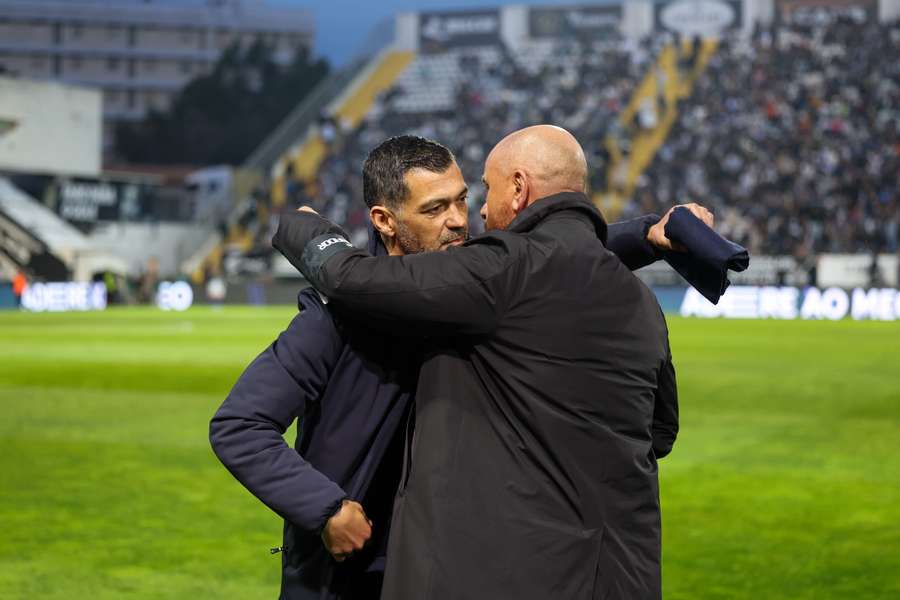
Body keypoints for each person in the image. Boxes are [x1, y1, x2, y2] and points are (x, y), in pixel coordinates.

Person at [213, 135, 708, 600]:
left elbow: (551, 255)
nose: (458, 221)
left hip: (438, 568)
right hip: (350, 572)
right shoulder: (334, 321)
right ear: (384, 221)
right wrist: (324, 508)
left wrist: (647, 235)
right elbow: (240, 425)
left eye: (461, 200)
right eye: (434, 208)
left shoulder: (478, 287)